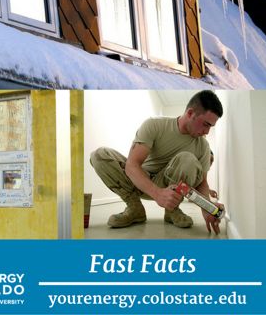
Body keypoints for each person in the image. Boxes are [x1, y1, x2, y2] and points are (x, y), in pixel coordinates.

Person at [90, 90, 223, 234]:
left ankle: (171, 210)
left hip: (169, 187)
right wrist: (157, 193)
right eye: (205, 124)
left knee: (187, 159)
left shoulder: (203, 146)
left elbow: (202, 183)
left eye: (211, 127)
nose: (207, 132)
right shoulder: (154, 125)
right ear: (190, 113)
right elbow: (132, 165)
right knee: (99, 155)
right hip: (139, 181)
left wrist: (207, 207)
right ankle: (134, 208)